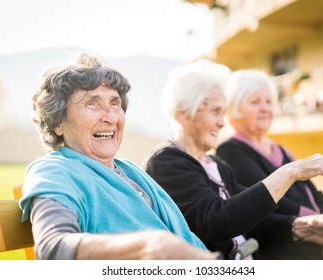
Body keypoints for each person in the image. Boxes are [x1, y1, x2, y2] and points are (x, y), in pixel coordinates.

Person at [142, 59, 323, 260]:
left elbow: (256, 223)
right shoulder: (167, 161)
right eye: (216, 112)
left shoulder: (218, 166)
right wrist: (290, 172)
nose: (222, 122)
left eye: (223, 112)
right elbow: (218, 221)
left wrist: (310, 226)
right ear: (183, 114)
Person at [18, 52, 218, 260]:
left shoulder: (130, 171)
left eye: (115, 103)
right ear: (57, 122)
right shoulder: (54, 172)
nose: (111, 117)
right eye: (92, 103)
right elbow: (54, 247)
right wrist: (147, 247)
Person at [216, 69, 323, 259]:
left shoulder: (282, 150)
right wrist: (321, 228)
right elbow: (272, 201)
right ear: (235, 108)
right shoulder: (230, 150)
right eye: (255, 102)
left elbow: (314, 193)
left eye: (269, 101)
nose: (265, 108)